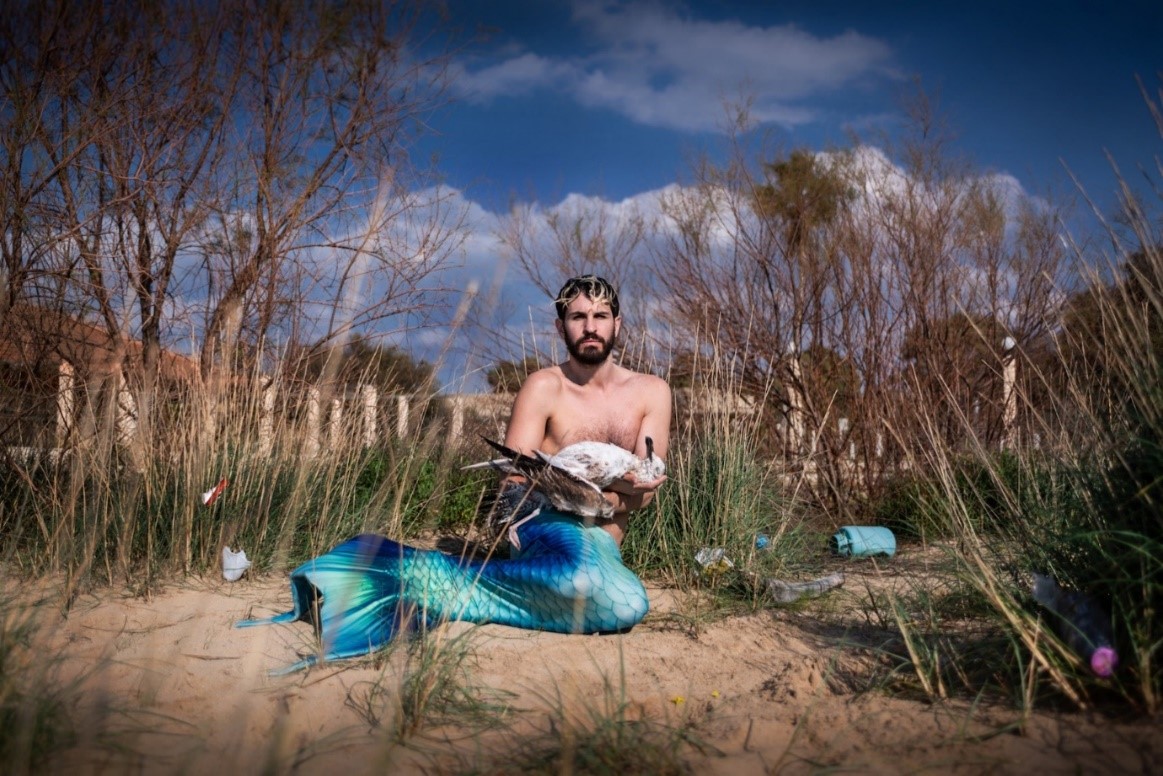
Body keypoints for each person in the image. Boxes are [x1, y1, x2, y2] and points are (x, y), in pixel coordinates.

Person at [499, 274, 671, 546]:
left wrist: (584, 498)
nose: (590, 328)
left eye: (600, 316)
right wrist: (608, 495)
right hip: (545, 542)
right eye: (578, 317)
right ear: (560, 327)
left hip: (604, 555)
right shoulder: (542, 387)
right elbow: (513, 482)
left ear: (616, 324)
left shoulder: (652, 392)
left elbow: (647, 490)